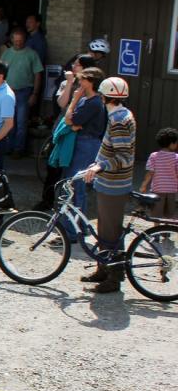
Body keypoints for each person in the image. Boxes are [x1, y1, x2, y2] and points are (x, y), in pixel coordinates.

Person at [80, 77, 136, 294]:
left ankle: (114, 278)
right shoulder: (119, 115)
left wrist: (99, 168)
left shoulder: (120, 120)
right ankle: (102, 269)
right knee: (104, 231)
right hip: (109, 183)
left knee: (111, 233)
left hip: (114, 184)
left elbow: (124, 157)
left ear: (104, 97)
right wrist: (97, 164)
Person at [40, 62, 103, 211]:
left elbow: (69, 120)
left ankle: (77, 228)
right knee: (69, 182)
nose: (79, 82)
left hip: (87, 145)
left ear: (91, 82)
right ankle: (70, 224)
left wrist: (74, 100)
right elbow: (69, 121)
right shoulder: (84, 100)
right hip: (77, 142)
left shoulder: (94, 102)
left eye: (82, 79)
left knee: (77, 185)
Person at [0, 28, 44, 158]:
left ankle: (18, 149)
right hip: (8, 92)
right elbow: (0, 72)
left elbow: (38, 74)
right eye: (16, 40)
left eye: (20, 41)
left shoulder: (32, 54)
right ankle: (8, 147)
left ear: (24, 41)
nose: (18, 43)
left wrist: (35, 93)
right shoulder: (6, 53)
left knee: (21, 122)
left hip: (24, 92)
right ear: (12, 40)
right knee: (8, 121)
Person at [141, 127, 178, 220]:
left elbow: (150, 172)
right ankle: (166, 230)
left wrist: (144, 185)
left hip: (157, 189)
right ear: (172, 143)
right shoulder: (176, 157)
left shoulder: (154, 156)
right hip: (172, 190)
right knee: (170, 214)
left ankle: (156, 230)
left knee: (156, 213)